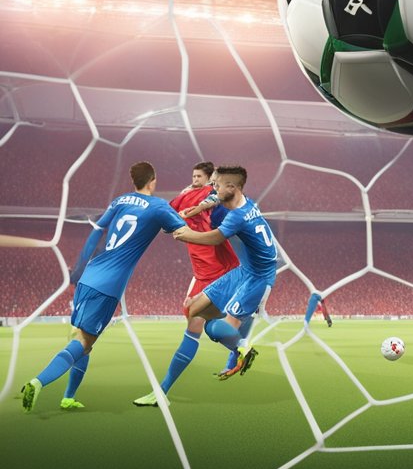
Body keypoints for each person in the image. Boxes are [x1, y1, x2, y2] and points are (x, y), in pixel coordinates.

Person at [21, 162, 186, 412]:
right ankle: (38, 381)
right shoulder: (158, 206)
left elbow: (96, 231)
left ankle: (68, 396)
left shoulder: (119, 201)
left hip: (90, 274)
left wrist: (78, 269)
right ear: (153, 180)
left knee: (83, 340)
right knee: (84, 342)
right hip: (108, 286)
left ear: (134, 181)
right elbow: (181, 229)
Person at [133, 163, 242, 407]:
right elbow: (165, 224)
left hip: (221, 272)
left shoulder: (211, 196)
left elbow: (215, 199)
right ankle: (238, 349)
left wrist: (196, 207)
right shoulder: (185, 196)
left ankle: (162, 391)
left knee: (199, 324)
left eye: (200, 177)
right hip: (202, 274)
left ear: (210, 179)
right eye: (193, 176)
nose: (195, 180)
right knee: (199, 324)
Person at [173, 165, 279, 380]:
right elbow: (213, 199)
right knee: (193, 309)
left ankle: (244, 348)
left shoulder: (237, 217)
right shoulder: (245, 201)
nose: (213, 189)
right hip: (244, 270)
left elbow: (215, 238)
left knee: (215, 329)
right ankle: (235, 332)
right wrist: (194, 210)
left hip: (258, 278)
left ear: (231, 187)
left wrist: (185, 234)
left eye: (216, 185)